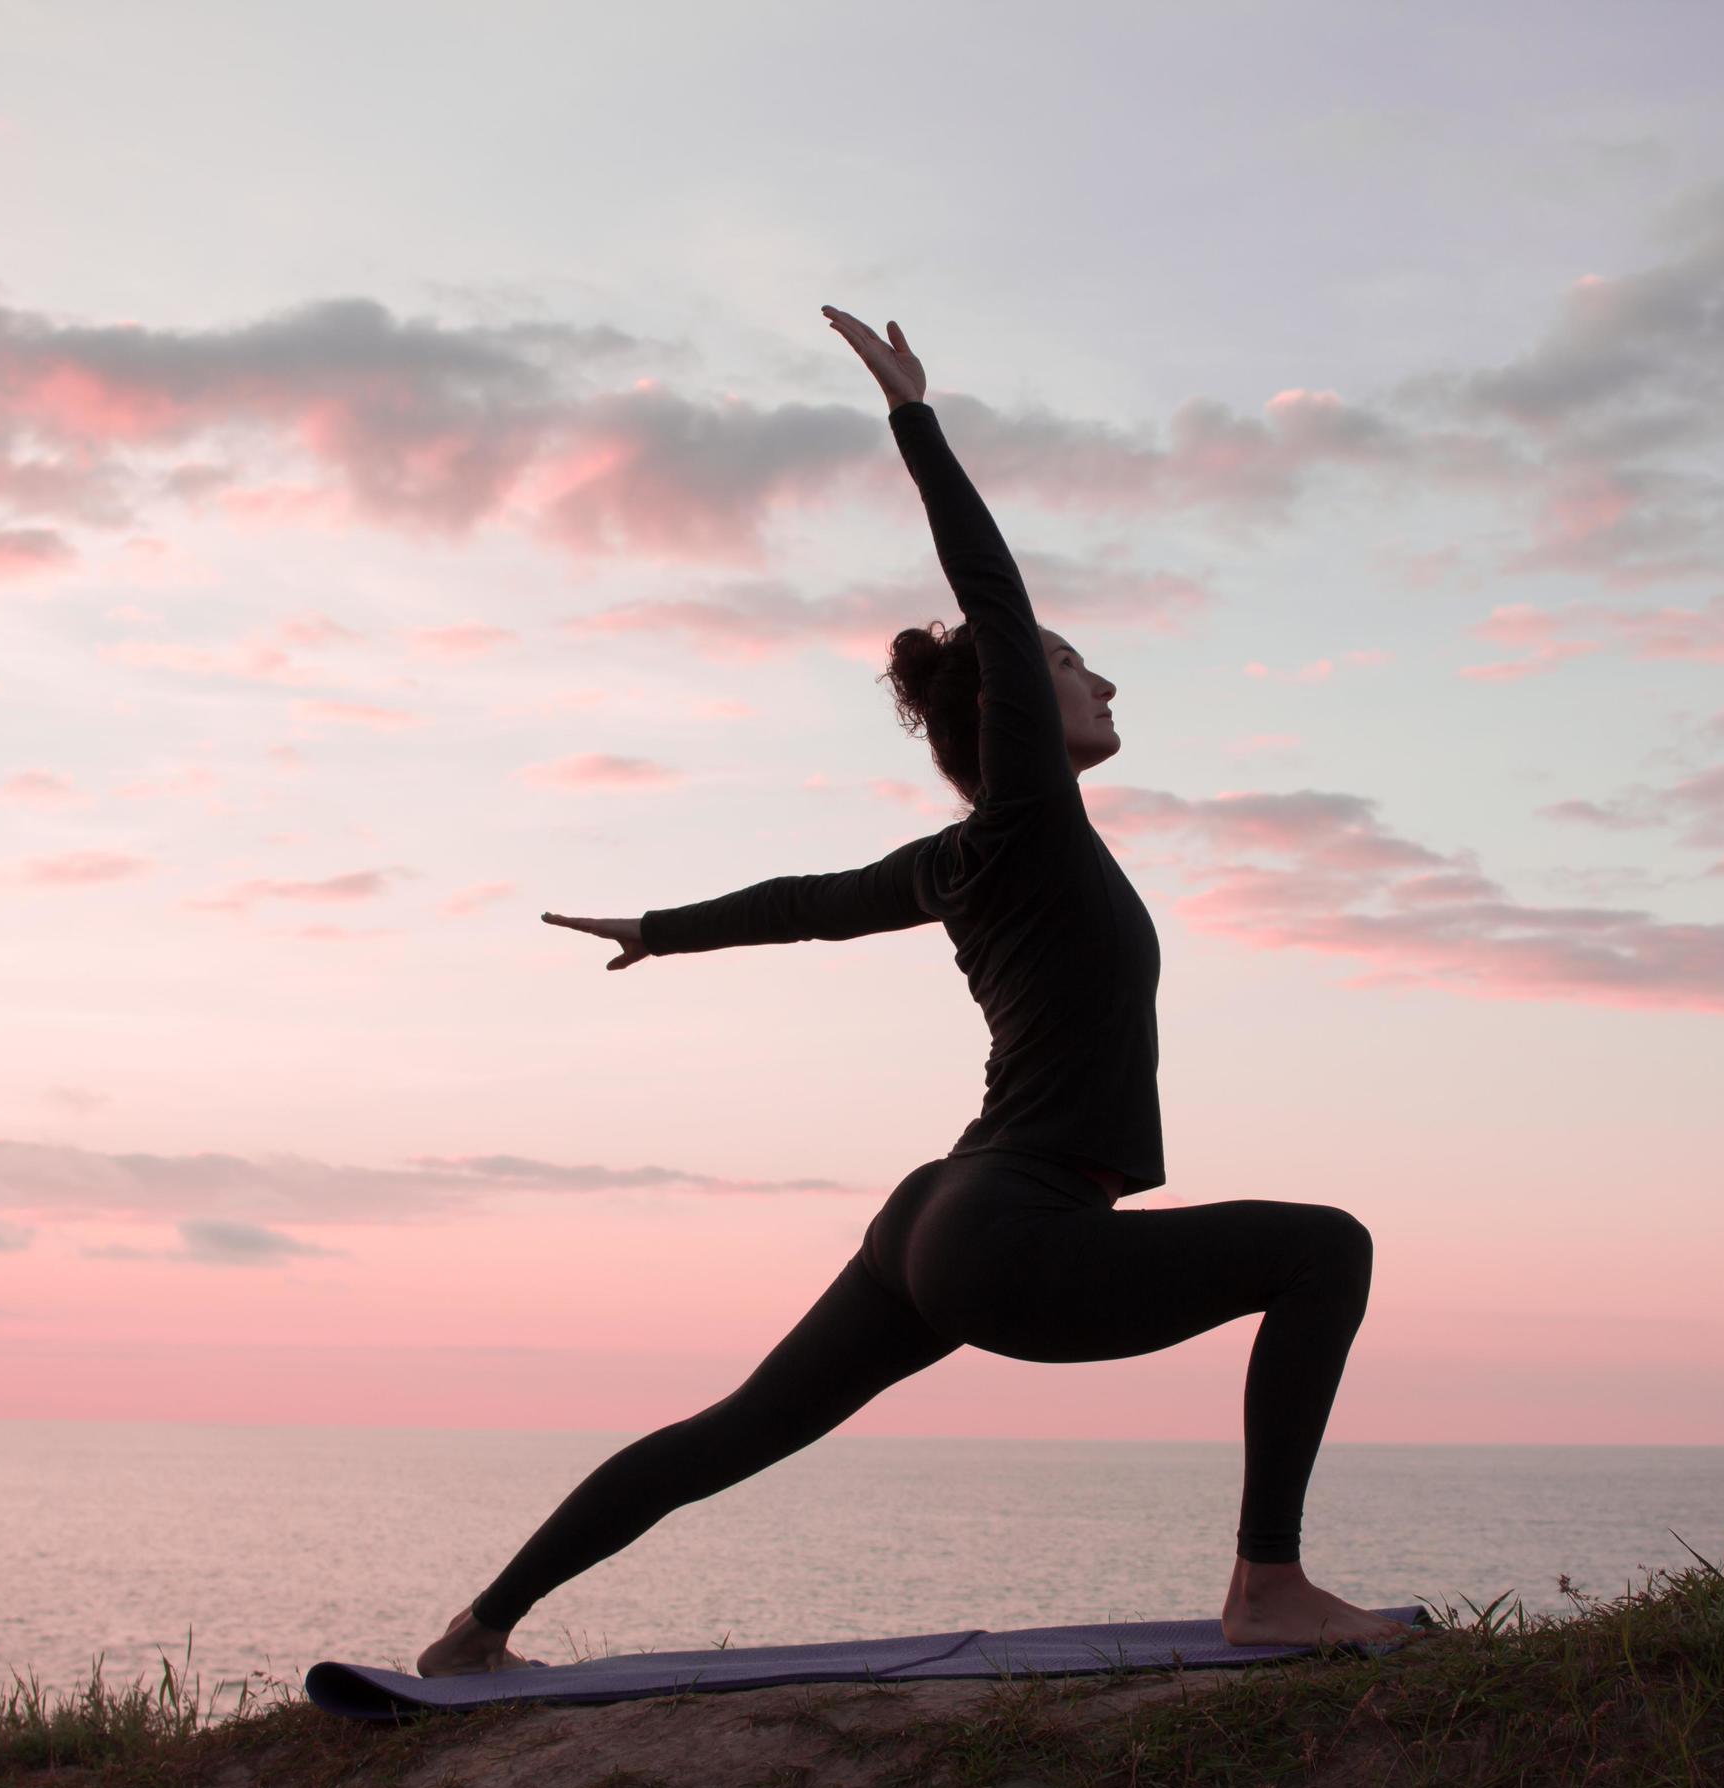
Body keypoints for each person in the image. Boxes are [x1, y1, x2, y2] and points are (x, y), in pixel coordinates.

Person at [416, 306, 1412, 1676]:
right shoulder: (1026, 823)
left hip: (935, 1217)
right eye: (1074, 663)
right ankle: (1271, 1585)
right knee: (1328, 1249)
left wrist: (661, 928)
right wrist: (913, 416)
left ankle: (474, 1636)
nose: (1102, 676)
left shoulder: (960, 862)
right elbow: (994, 604)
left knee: (736, 1430)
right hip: (1012, 1228)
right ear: (1010, 712)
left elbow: (810, 909)